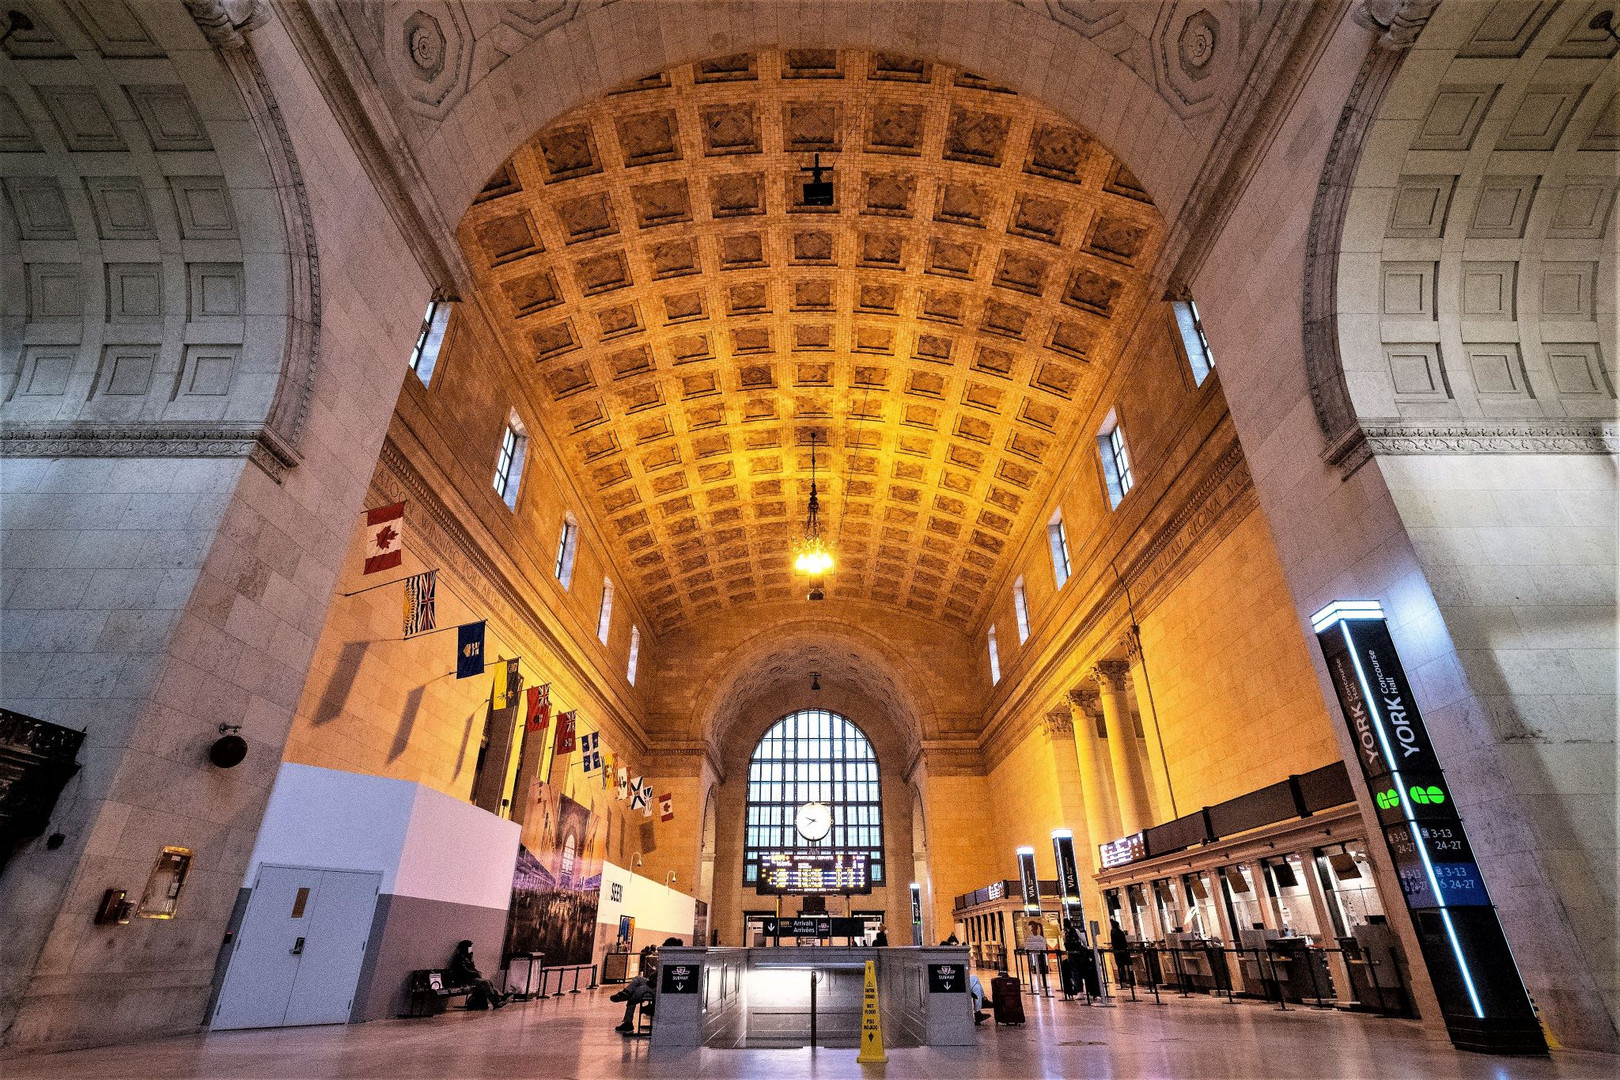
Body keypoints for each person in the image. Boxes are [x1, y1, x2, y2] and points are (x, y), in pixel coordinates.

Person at [446, 940, 507, 1010]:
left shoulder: (468, 958)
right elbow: (464, 971)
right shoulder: (460, 958)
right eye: (469, 948)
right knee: (485, 982)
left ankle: (500, 997)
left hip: (470, 978)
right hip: (464, 980)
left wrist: (476, 971)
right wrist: (476, 973)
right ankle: (496, 1001)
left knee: (488, 981)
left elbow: (472, 968)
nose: (470, 949)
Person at [610, 947, 658, 1033]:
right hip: (652, 984)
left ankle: (628, 1022)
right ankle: (625, 992)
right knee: (638, 978)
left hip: (655, 988)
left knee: (635, 993)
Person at [1023, 921, 1049, 994]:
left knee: (1041, 967)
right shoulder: (1030, 938)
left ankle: (1043, 984)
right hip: (1033, 954)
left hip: (1040, 954)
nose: (1032, 930)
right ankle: (1038, 984)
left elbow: (1043, 945)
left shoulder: (1040, 938)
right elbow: (1027, 946)